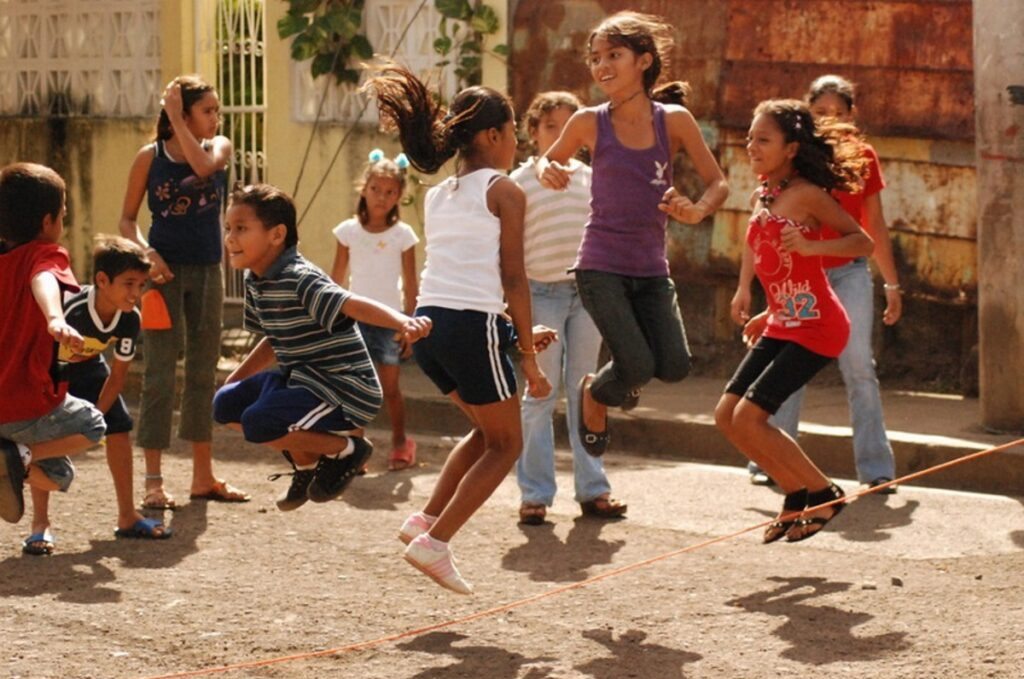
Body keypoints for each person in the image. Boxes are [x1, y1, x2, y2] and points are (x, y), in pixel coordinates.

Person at [365, 64, 553, 595]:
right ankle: (437, 542)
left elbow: (462, 275)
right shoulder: (504, 190)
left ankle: (424, 520)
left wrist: (514, 337)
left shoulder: (438, 194)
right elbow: (513, 278)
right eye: (514, 131)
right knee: (506, 444)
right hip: (471, 328)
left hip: (430, 330)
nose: (515, 142)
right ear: (493, 136)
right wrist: (528, 360)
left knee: (483, 432)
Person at [536, 11, 729, 457]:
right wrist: (550, 171)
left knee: (676, 367)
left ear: (643, 61)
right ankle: (595, 395)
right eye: (595, 57)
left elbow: (718, 184)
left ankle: (596, 387)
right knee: (637, 365)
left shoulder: (674, 120)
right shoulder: (588, 121)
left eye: (614, 55)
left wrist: (698, 210)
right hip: (599, 265)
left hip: (650, 268)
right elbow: (548, 159)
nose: (601, 65)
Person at [212, 184, 432, 512]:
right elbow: (273, 339)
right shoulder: (257, 281)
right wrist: (235, 379)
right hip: (301, 379)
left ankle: (348, 450)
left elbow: (351, 303)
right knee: (225, 404)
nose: (230, 237)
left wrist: (402, 322)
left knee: (259, 422)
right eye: (229, 228)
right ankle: (306, 467)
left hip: (341, 388)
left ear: (276, 235)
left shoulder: (300, 277)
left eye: (241, 229)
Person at [715, 99, 875, 543]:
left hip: (820, 325)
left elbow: (862, 243)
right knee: (726, 415)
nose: (752, 146)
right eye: (749, 138)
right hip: (783, 319)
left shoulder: (806, 194)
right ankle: (794, 494)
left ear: (790, 148)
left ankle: (825, 491)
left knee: (750, 417)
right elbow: (766, 254)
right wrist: (757, 298)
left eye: (763, 139)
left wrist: (812, 248)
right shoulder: (762, 193)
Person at [733, 75, 902, 492]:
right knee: (789, 370)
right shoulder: (778, 173)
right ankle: (774, 461)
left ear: (852, 116)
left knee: (858, 365)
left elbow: (871, 228)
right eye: (821, 113)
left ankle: (876, 471)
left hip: (846, 273)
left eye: (839, 113)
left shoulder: (860, 157)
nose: (831, 120)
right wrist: (751, 293)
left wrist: (892, 286)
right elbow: (758, 241)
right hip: (799, 280)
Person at [119, 74, 249, 509]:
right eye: (207, 111)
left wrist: (178, 119)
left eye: (216, 111)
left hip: (208, 271)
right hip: (161, 278)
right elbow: (126, 221)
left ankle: (202, 476)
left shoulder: (219, 147)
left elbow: (204, 168)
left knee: (201, 371)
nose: (215, 118)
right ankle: (153, 481)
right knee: (158, 372)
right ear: (184, 113)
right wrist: (146, 253)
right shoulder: (148, 158)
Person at [512, 91, 626, 525]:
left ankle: (593, 489)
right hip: (540, 295)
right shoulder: (519, 182)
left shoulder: (592, 178)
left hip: (587, 295)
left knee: (588, 392)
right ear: (533, 131)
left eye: (569, 128)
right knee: (540, 392)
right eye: (550, 127)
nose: (561, 137)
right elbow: (509, 253)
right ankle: (535, 494)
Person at [23, 237, 171, 554]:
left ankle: (127, 516)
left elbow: (117, 377)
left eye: (141, 285)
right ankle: (40, 526)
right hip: (52, 371)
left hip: (90, 368)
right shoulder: (73, 309)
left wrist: (95, 421)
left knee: (119, 427)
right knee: (46, 436)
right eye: (128, 283)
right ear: (102, 280)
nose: (136, 293)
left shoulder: (130, 318)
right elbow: (44, 357)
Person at [0, 163, 106, 538]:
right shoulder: (46, 253)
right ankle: (17, 455)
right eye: (63, 214)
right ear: (48, 221)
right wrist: (55, 317)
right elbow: (42, 278)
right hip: (26, 403)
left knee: (60, 474)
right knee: (94, 425)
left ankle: (13, 457)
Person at [331, 149, 420, 471]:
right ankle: (356, 447)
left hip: (390, 321)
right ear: (363, 189)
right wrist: (331, 318)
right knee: (356, 385)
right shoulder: (347, 232)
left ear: (399, 196)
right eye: (375, 190)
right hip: (354, 321)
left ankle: (400, 441)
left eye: (390, 192)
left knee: (391, 389)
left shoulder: (403, 236)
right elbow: (336, 280)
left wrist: (409, 325)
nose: (381, 198)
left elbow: (411, 285)